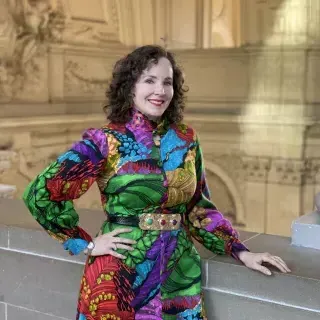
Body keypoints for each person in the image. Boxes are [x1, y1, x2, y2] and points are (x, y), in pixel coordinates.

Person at [23, 45, 290, 320]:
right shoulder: (105, 141)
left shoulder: (186, 139)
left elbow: (198, 207)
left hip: (179, 272)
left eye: (167, 82)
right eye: (149, 80)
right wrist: (85, 244)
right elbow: (40, 193)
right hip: (120, 273)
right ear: (130, 87)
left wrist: (240, 251)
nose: (160, 91)